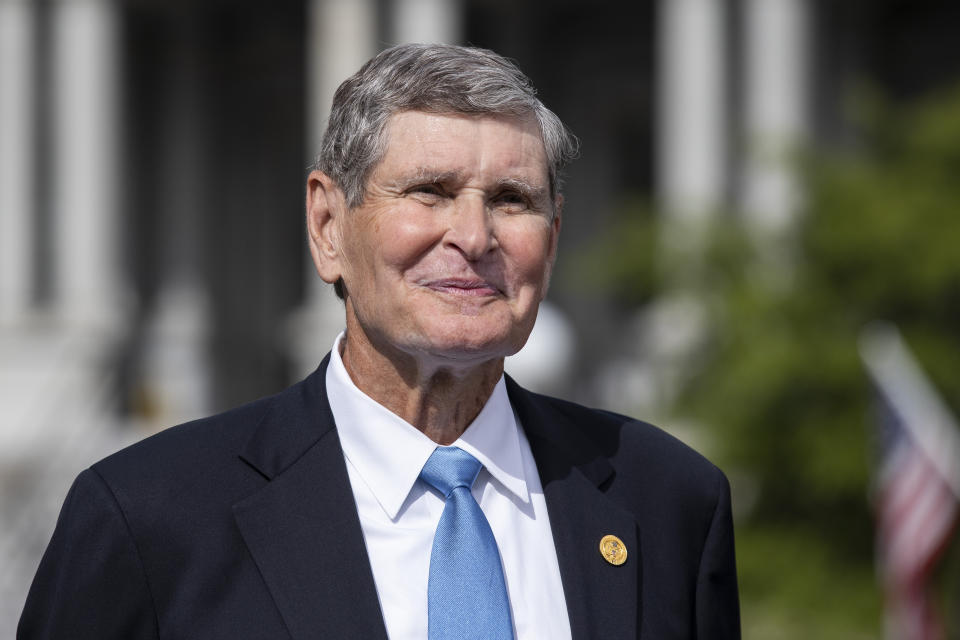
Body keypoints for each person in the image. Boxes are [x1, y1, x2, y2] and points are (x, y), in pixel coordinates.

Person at [19, 43, 740, 639]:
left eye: (512, 200)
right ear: (328, 227)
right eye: (429, 190)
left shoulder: (668, 501)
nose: (474, 236)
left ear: (551, 242)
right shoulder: (149, 516)